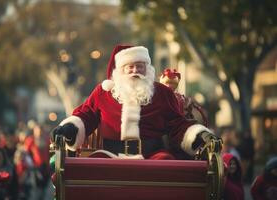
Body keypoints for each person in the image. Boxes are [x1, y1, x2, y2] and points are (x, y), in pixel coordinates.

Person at [51, 44, 218, 159]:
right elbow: (86, 116)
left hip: (152, 155)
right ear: (119, 71)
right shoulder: (103, 92)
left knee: (166, 162)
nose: (135, 71)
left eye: (140, 66)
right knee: (92, 166)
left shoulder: (162, 93)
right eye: (129, 67)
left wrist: (199, 135)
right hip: (110, 155)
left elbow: (177, 124)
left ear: (148, 69)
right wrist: (69, 128)